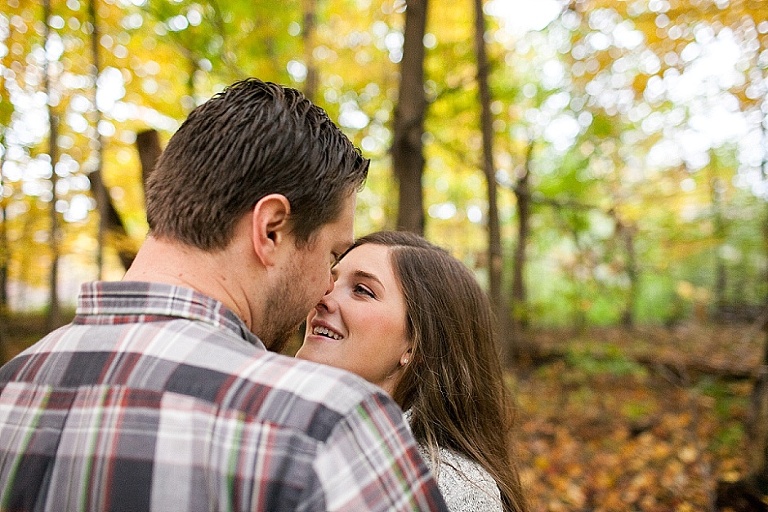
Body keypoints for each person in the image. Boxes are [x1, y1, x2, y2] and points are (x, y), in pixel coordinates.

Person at [0, 79, 448, 511]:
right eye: (331, 254)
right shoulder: (323, 425)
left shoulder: (12, 386)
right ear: (270, 229)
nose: (325, 286)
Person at [296, 231, 528, 512]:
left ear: (416, 345)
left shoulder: (449, 490)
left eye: (362, 290)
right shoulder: (284, 436)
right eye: (330, 280)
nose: (323, 296)